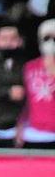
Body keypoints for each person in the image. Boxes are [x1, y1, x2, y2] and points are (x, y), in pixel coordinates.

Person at [20, 19, 55, 149]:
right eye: (47, 38)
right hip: (34, 134)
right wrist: (20, 126)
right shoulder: (30, 66)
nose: (51, 43)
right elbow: (25, 100)